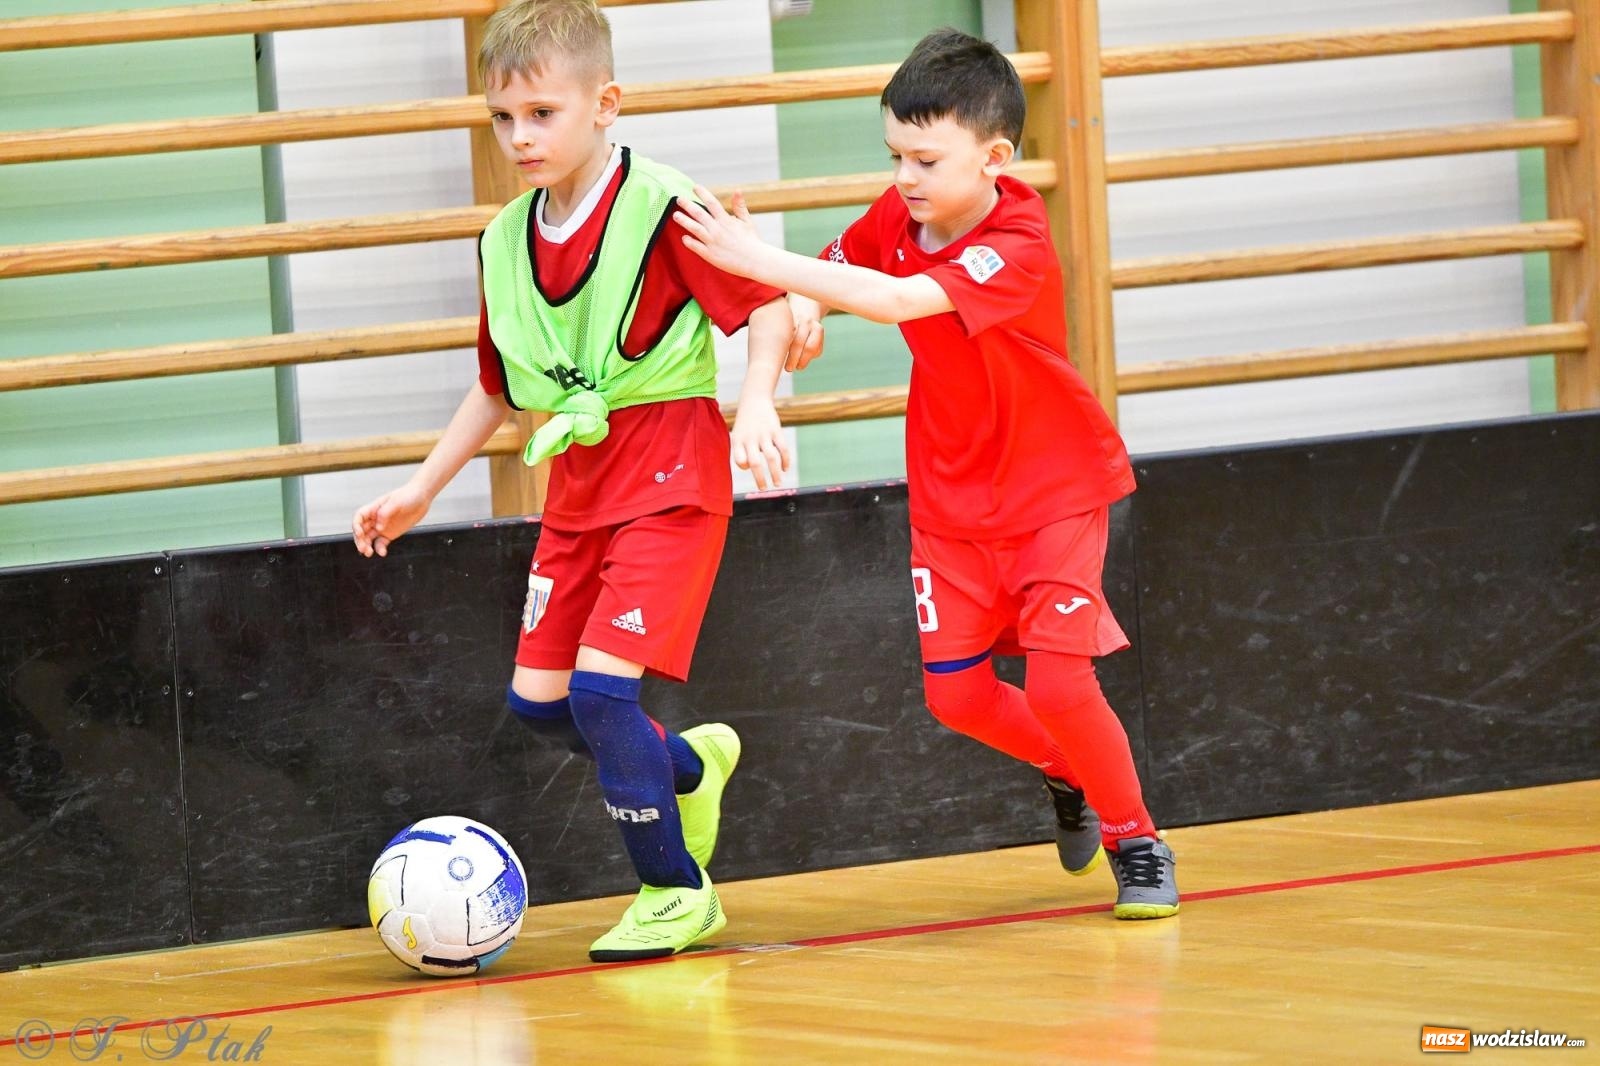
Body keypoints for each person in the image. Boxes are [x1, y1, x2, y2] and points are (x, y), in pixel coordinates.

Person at [672, 27, 1178, 919]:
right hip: (950, 501)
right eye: (894, 154)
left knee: (1061, 684)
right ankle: (1067, 767)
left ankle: (1135, 839)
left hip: (1054, 487)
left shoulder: (1018, 235)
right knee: (958, 699)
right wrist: (792, 313)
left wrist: (762, 264)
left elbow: (902, 297)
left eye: (925, 159)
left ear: (994, 158)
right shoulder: (895, 216)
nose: (905, 177)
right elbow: (826, 280)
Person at [352, 0, 795, 958]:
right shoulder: (505, 239)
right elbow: (499, 387)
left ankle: (678, 892)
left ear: (606, 104)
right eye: (503, 118)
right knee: (540, 705)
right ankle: (690, 767)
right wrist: (424, 486)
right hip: (579, 484)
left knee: (601, 698)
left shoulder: (666, 205)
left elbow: (763, 303)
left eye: (542, 114)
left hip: (672, 469)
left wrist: (756, 398)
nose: (520, 137)